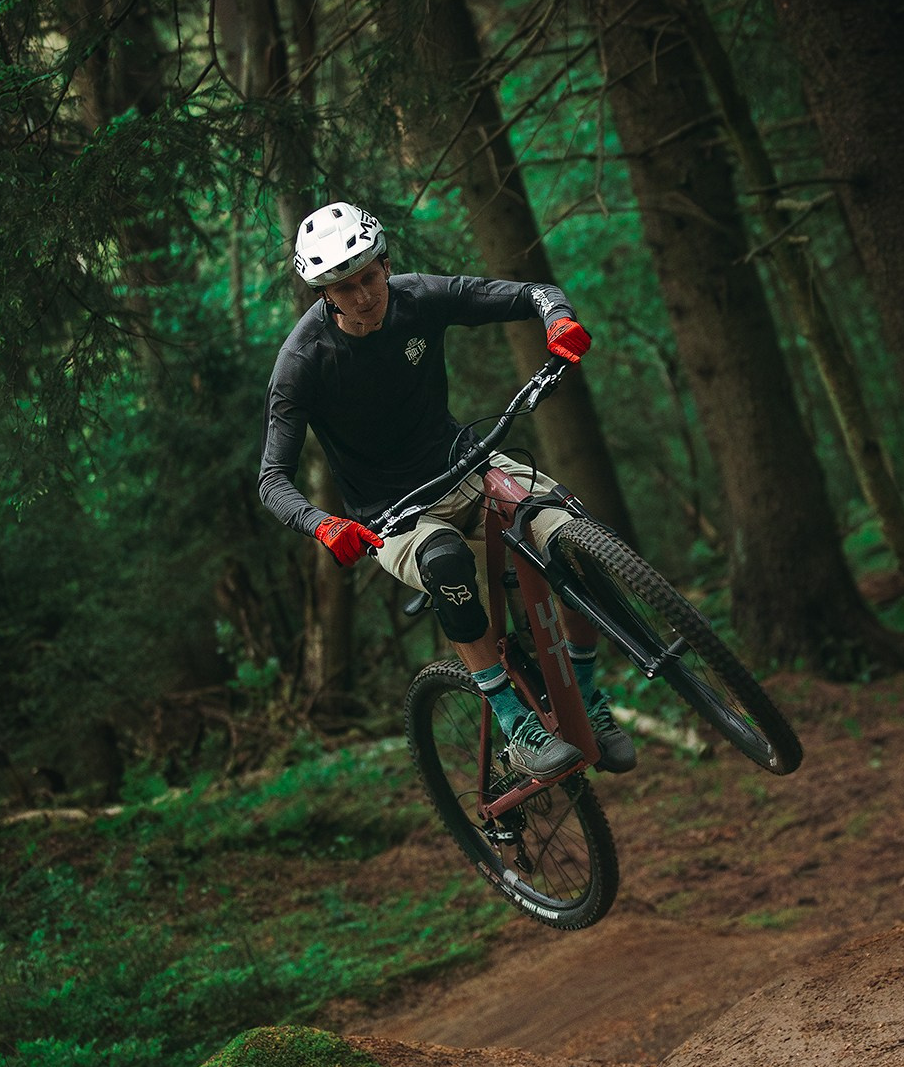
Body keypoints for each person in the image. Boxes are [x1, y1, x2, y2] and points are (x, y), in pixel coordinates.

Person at [257, 202, 637, 780]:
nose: (362, 296)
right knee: (449, 567)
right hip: (392, 514)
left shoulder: (419, 296)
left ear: (386, 265)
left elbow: (534, 292)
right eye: (344, 287)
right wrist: (324, 525)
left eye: (368, 277)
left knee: (571, 541)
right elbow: (272, 479)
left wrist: (557, 320)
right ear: (324, 295)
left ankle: (585, 696)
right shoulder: (301, 362)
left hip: (467, 463)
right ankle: (517, 723)